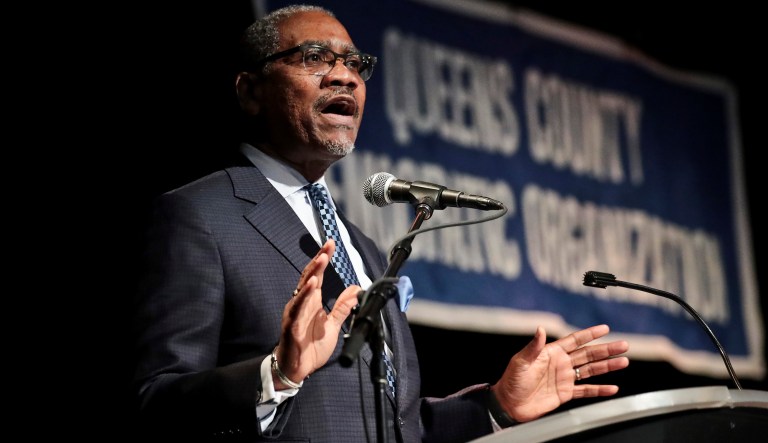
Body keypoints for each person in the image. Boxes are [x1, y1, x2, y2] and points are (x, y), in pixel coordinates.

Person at [131, 4, 630, 442]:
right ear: (251, 90)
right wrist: (276, 375)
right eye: (314, 58)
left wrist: (498, 404)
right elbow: (155, 402)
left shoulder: (363, 249)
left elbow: (399, 426)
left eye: (355, 63)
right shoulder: (199, 215)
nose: (344, 76)